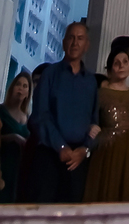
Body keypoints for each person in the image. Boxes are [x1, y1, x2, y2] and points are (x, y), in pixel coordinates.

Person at [27, 19, 100, 201]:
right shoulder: (50, 74)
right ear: (64, 42)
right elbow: (40, 115)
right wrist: (60, 146)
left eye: (80, 38)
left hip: (78, 159)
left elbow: (94, 122)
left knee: (71, 214)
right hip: (50, 154)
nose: (75, 43)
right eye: (71, 38)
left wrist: (85, 149)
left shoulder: (91, 82)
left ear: (87, 45)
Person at [85, 44, 129, 201]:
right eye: (117, 63)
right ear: (110, 69)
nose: (121, 65)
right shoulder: (100, 95)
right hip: (106, 155)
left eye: (125, 62)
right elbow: (88, 119)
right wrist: (91, 127)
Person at [0, 71, 31, 204]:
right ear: (12, 87)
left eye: (25, 86)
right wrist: (12, 137)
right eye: (18, 84)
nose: (21, 88)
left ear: (28, 93)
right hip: (2, 163)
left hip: (19, 167)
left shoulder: (28, 118)